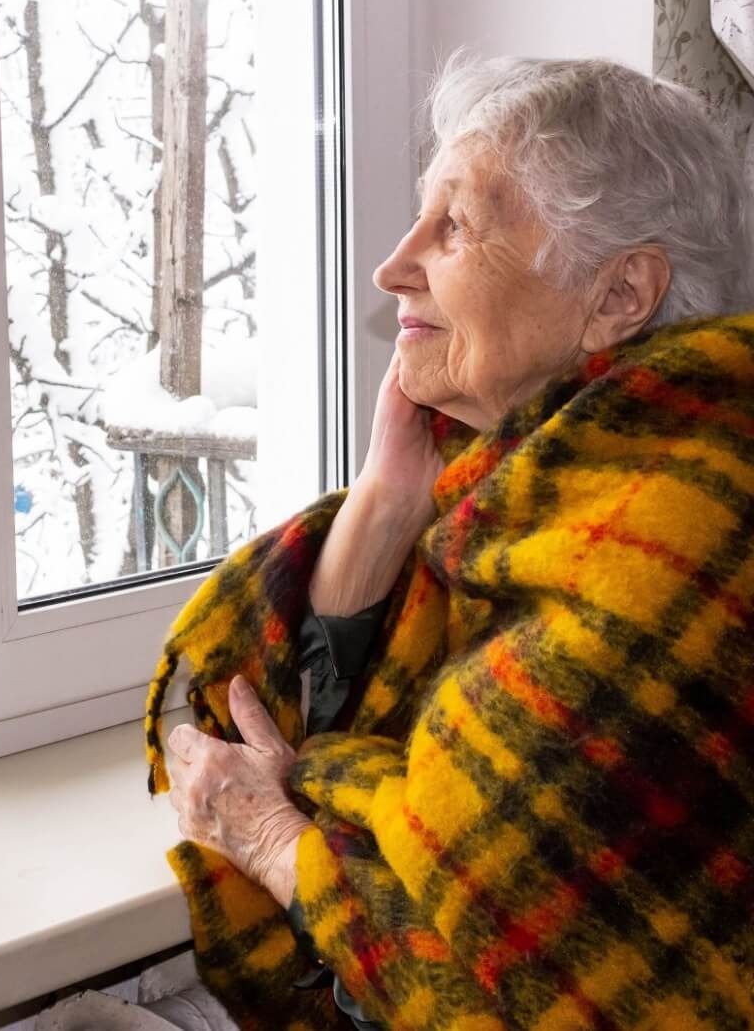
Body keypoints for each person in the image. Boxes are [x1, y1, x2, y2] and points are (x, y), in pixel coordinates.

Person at [144, 54, 754, 1029]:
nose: (394, 267)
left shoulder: (668, 550)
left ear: (618, 294)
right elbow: (299, 720)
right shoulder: (534, 497)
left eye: (455, 225)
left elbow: (476, 992)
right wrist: (388, 501)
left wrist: (269, 840)